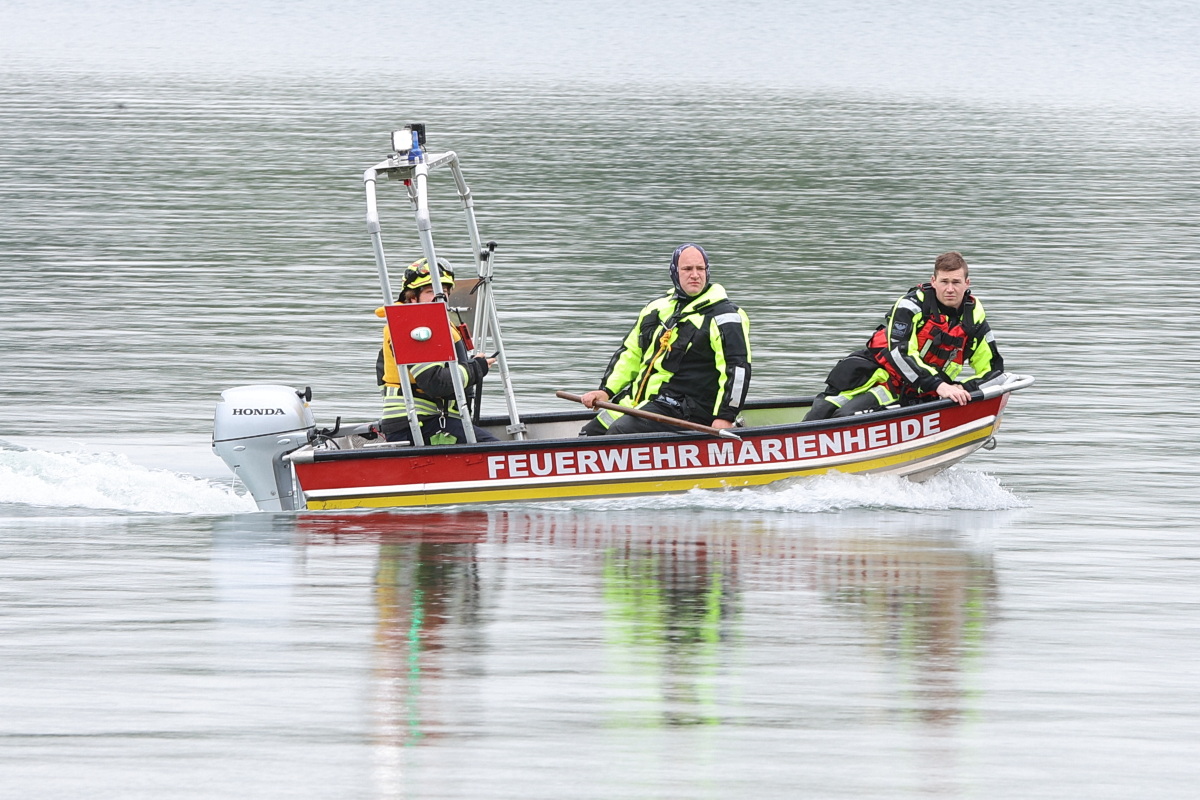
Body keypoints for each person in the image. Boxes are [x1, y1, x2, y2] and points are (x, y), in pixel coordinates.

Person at [807, 251, 1004, 420]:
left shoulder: (974, 319)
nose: (950, 289)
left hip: (924, 391)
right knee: (825, 412)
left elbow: (992, 367)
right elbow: (899, 353)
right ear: (933, 281)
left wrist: (963, 389)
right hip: (880, 375)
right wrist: (940, 386)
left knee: (847, 415)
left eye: (956, 282)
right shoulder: (910, 306)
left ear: (966, 283)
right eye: (944, 281)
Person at [579, 243, 751, 436]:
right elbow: (630, 354)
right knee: (589, 435)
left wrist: (725, 416)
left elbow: (737, 369)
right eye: (687, 269)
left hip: (688, 409)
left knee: (620, 432)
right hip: (643, 402)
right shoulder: (656, 308)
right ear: (674, 272)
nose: (695, 275)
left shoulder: (726, 317)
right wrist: (606, 392)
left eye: (700, 269)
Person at [376, 257, 498, 444]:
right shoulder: (412, 325)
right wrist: (476, 368)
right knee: (496, 450)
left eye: (444, 291)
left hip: (431, 420)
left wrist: (471, 365)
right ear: (412, 296)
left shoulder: (432, 323)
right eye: (430, 291)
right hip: (421, 423)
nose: (440, 296)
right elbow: (434, 382)